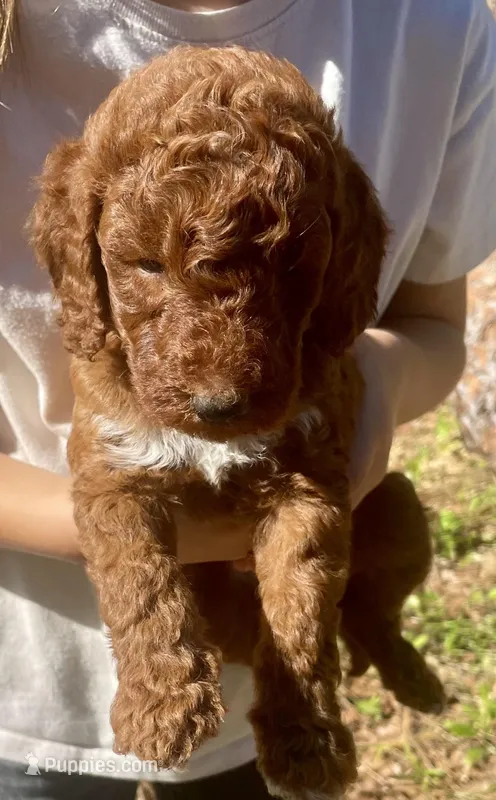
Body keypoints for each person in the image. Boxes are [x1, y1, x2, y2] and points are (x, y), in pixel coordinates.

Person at [0, 0, 495, 797]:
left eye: (290, 267)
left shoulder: (437, 26)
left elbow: (431, 329)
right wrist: (163, 547)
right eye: (152, 270)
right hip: (26, 679)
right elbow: (114, 491)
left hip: (252, 696)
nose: (220, 381)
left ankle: (346, 662)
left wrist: (378, 384)